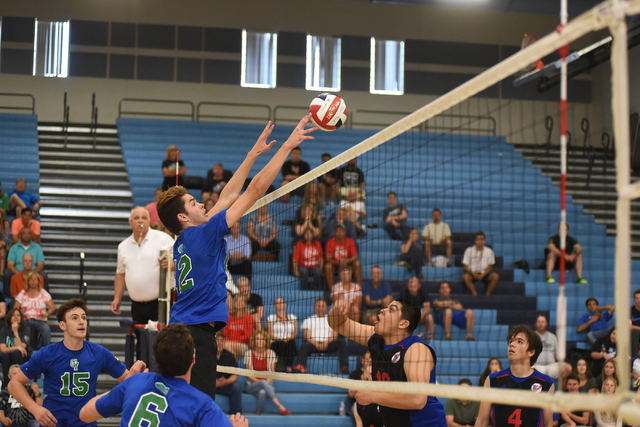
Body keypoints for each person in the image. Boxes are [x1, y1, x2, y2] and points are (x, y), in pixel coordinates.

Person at [156, 116, 315, 399]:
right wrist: (287, 145)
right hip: (195, 336)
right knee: (199, 407)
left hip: (180, 330)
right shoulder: (203, 235)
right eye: (194, 203)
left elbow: (227, 196)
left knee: (180, 404)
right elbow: (252, 192)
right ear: (183, 217)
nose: (202, 203)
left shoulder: (185, 240)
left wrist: (252, 154)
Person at [8, 298, 147, 427]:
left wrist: (136, 375)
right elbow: (14, 384)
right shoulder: (47, 354)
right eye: (75, 318)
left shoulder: (99, 353)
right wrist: (36, 409)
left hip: (86, 422)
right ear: (63, 325)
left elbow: (126, 380)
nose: (81, 322)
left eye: (84, 318)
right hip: (54, 423)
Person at [79, 323, 245, 427]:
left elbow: (85, 414)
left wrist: (127, 383)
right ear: (194, 359)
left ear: (156, 358)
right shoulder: (202, 406)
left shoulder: (135, 382)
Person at [328, 297, 447, 427]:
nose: (383, 310)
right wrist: (337, 310)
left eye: (391, 310)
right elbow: (338, 324)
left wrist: (372, 396)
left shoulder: (416, 349)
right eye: (386, 307)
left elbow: (417, 400)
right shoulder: (376, 339)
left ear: (403, 324)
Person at [474, 325, 554, 427]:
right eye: (511, 341)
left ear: (531, 352)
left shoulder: (546, 383)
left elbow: (548, 424)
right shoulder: (492, 380)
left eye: (519, 341)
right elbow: (482, 421)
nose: (512, 344)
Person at [112, 207, 175, 325]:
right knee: (141, 340)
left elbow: (182, 261)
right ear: (130, 222)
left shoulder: (163, 239)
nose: (140, 221)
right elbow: (120, 274)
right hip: (137, 305)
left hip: (161, 302)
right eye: (136, 218)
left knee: (162, 340)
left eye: (144, 218)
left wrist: (172, 264)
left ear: (149, 221)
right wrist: (117, 298)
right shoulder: (123, 246)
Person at [295, 298, 348, 375]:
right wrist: (316, 344)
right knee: (304, 346)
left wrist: (326, 343)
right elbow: (307, 336)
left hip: (329, 344)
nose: (320, 308)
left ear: (326, 308)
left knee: (341, 342)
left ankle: (344, 368)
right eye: (318, 306)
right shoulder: (308, 320)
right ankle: (301, 367)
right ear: (315, 307)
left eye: (323, 306)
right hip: (313, 345)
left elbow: (334, 335)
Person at [244, 331, 291, 415]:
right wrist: (262, 383)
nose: (260, 341)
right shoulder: (248, 354)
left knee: (263, 392)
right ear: (254, 341)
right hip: (252, 385)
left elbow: (272, 373)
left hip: (268, 384)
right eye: (258, 339)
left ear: (265, 342)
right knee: (262, 383)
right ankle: (280, 406)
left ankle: (258, 412)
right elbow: (248, 375)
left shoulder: (271, 353)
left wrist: (266, 383)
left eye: (262, 339)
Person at [14, 272, 55, 347]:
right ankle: (21, 348)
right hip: (26, 319)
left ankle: (46, 351)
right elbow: (15, 308)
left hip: (40, 320)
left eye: (35, 279)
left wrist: (47, 313)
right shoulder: (23, 293)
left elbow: (52, 307)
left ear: (39, 281)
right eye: (31, 279)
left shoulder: (43, 293)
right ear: (28, 281)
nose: (33, 281)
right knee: (20, 327)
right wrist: (19, 311)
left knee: (46, 329)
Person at [532, 314, 572, 390]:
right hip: (536, 367)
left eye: (543, 321)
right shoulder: (531, 336)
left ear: (546, 323)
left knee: (568, 368)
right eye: (539, 321)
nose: (540, 324)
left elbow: (558, 355)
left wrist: (562, 363)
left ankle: (559, 394)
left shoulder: (552, 337)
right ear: (536, 324)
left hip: (551, 367)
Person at [324, 223, 362, 290]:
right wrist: (337, 263)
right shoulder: (330, 242)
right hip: (335, 266)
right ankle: (332, 290)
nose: (340, 233)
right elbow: (328, 258)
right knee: (328, 266)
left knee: (357, 264)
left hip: (348, 265)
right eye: (338, 231)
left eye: (341, 231)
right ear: (335, 232)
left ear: (345, 232)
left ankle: (359, 289)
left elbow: (355, 256)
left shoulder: (350, 241)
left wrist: (347, 261)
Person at [266, 297, 298, 372]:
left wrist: (288, 338)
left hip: (289, 341)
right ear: (275, 306)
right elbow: (270, 334)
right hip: (275, 343)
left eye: (281, 302)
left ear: (285, 304)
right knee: (281, 344)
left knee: (291, 343)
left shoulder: (292, 317)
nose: (280, 305)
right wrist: (281, 339)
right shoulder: (271, 318)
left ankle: (288, 366)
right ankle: (283, 366)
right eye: (277, 303)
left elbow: (295, 333)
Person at [398, 277, 434, 342]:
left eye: (414, 287)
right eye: (410, 287)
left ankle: (430, 339)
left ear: (419, 286)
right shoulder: (403, 294)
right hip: (409, 317)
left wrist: (423, 313)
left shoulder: (423, 293)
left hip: (421, 317)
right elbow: (402, 309)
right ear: (407, 286)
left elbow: (427, 309)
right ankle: (405, 339)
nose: (412, 289)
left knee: (429, 317)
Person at [0, 308, 31, 383]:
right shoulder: (4, 330)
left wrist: (15, 331)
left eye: (18, 315)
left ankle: (19, 381)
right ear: (9, 318)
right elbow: (2, 349)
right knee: (3, 354)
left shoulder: (26, 329)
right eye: (13, 315)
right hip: (7, 356)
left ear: (21, 318)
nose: (16, 317)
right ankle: (8, 384)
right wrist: (16, 347)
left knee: (16, 352)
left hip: (23, 356)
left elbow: (22, 348)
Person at [215, 332, 243, 415]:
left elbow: (235, 375)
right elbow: (202, 374)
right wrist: (212, 382)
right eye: (217, 341)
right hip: (210, 384)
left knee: (236, 387)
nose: (220, 343)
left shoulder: (229, 355)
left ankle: (236, 415)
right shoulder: (207, 355)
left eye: (222, 341)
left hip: (224, 384)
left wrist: (225, 382)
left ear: (224, 342)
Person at [224, 294, 253, 359]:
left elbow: (247, 336)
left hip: (243, 345)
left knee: (227, 346)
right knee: (226, 345)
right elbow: (225, 332)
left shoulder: (248, 317)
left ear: (245, 304)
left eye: (241, 301)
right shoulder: (230, 316)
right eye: (237, 301)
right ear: (234, 303)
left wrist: (233, 341)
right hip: (229, 343)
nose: (239, 303)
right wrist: (227, 340)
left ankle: (230, 365)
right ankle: (233, 364)